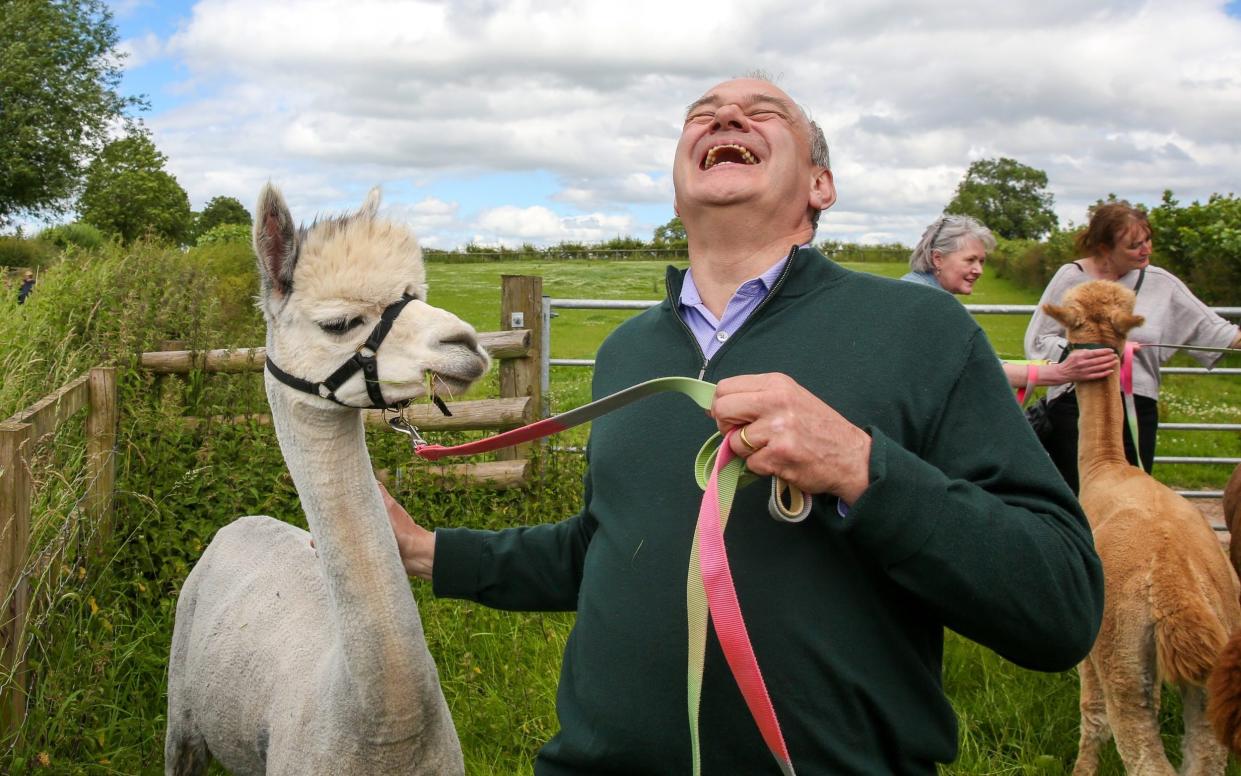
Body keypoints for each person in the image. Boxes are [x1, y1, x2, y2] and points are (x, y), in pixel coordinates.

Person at [386, 76, 1103, 774]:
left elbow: (1059, 606)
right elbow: (607, 543)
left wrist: (861, 467)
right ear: (677, 182)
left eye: (764, 112)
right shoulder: (627, 351)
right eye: (703, 113)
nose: (725, 117)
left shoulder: (919, 330)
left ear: (819, 184)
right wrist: (425, 552)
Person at [1025, 201, 1241, 494]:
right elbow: (1038, 341)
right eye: (1134, 245)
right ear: (1104, 247)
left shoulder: (1162, 283)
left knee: (1134, 499)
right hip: (1075, 408)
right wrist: (1093, 349)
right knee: (1079, 500)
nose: (1146, 250)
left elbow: (1217, 333)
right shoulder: (1070, 277)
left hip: (1136, 411)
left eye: (1147, 240)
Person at [903, 215, 1118, 394]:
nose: (979, 270)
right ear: (938, 259)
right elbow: (980, 370)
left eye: (982, 261)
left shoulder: (910, 290)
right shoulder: (932, 304)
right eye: (970, 260)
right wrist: (1062, 373)